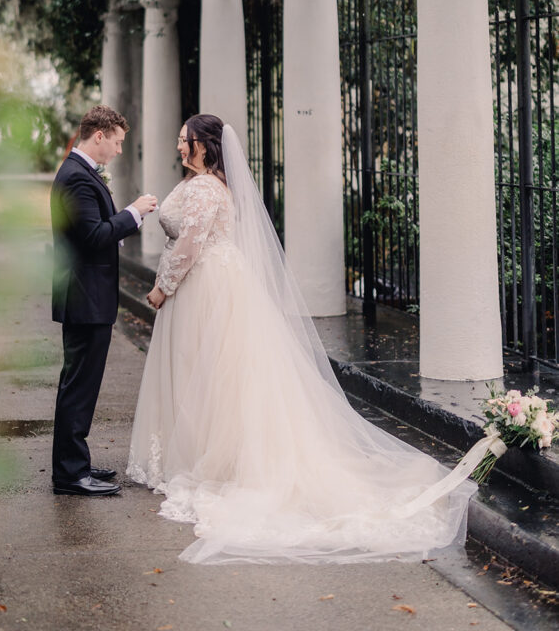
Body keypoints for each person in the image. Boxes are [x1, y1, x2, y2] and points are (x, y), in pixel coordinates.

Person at [127, 114, 476, 564]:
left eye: (185, 141)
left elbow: (191, 244)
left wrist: (162, 288)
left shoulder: (205, 189)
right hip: (213, 281)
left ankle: (213, 460)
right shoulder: (207, 185)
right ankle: (202, 451)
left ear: (205, 146)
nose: (179, 147)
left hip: (205, 285)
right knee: (213, 373)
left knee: (210, 371)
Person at [51, 104, 157, 497]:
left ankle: (75, 464)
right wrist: (133, 213)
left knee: (80, 385)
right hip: (84, 297)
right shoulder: (77, 178)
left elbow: (92, 233)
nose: (118, 150)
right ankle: (69, 475)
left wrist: (123, 223)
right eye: (117, 142)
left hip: (86, 295)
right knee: (78, 387)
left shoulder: (80, 173)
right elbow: (92, 237)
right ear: (99, 136)